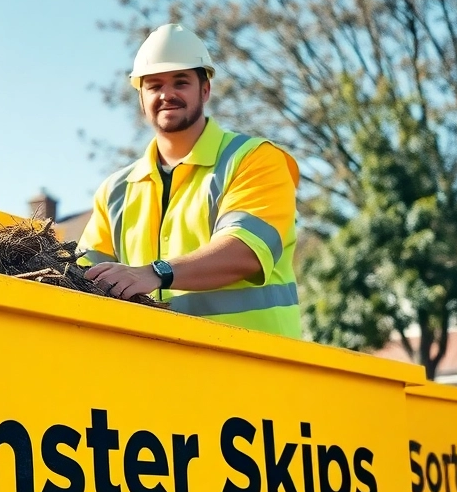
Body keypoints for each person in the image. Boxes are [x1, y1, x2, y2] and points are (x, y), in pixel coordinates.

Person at [77, 24, 302, 338]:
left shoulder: (255, 159)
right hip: (157, 374)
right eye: (154, 85)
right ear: (141, 99)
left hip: (257, 370)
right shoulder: (115, 192)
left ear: (205, 90)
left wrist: (157, 273)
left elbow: (246, 251)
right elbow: (80, 275)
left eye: (180, 82)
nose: (167, 94)